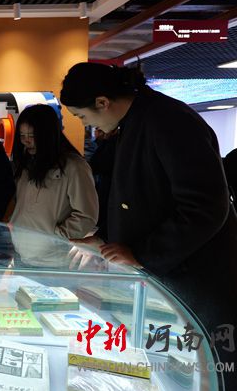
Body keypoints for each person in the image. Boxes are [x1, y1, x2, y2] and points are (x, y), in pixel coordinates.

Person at [61, 62, 237, 385]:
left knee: (215, 371)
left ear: (102, 102)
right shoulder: (137, 121)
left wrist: (142, 254)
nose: (86, 125)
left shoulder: (168, 121)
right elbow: (143, 197)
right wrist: (105, 239)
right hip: (172, 279)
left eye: (82, 117)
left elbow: (205, 208)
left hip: (201, 281)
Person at [10, 104, 98, 267]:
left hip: (54, 261)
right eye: (22, 135)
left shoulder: (74, 166)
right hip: (21, 255)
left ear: (48, 135)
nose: (26, 141)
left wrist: (56, 237)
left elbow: (86, 215)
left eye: (32, 135)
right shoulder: (25, 164)